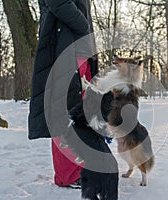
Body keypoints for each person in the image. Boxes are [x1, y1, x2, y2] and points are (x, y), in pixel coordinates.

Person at [28, 0, 98, 189]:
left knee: (81, 112)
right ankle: (68, 175)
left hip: (80, 48)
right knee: (64, 111)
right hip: (64, 45)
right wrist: (83, 26)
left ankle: (81, 168)